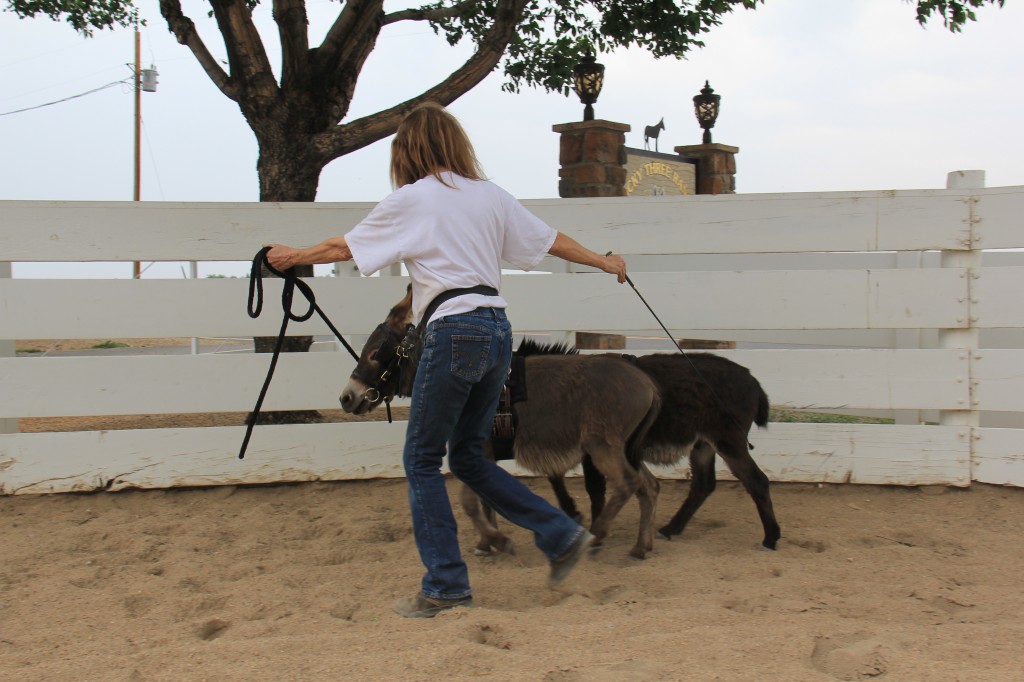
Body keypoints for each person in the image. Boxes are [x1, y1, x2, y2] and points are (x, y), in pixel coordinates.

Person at [265, 102, 627, 619]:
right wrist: (603, 261)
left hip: (453, 331)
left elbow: (343, 248)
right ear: (456, 144)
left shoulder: (412, 200)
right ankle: (560, 533)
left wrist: (290, 257)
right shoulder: (490, 196)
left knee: (420, 459)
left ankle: (445, 587)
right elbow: (550, 241)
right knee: (469, 458)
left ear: (406, 150)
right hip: (498, 331)